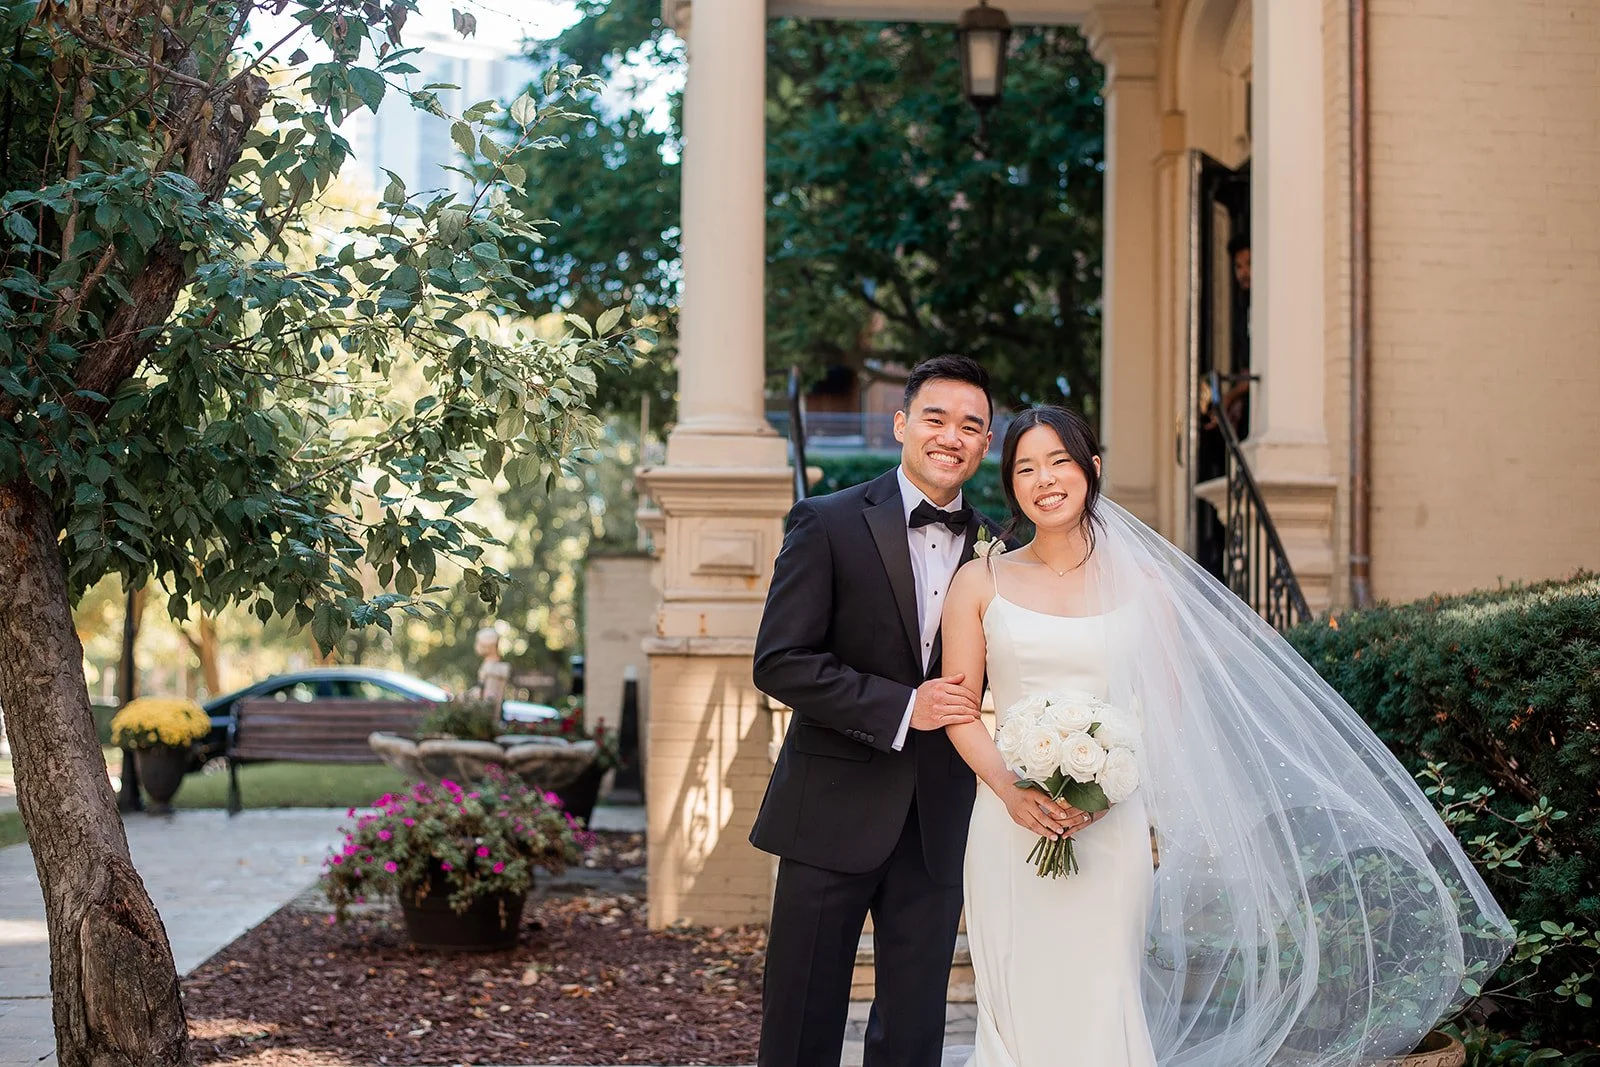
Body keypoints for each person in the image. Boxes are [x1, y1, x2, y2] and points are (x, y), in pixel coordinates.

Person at [938, 406, 1511, 1067]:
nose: (1044, 479)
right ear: (1010, 484)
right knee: (1018, 988)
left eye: (1059, 461)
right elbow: (958, 708)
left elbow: (1166, 715)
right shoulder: (981, 581)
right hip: (1009, 825)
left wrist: (1106, 792)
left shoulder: (1145, 584)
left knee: (1103, 989)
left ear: (1092, 468)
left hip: (1109, 828)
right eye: (1025, 468)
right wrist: (1014, 793)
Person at [749, 356, 1056, 1067]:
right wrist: (900, 706)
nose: (952, 436)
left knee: (915, 1033)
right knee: (800, 1023)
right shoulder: (825, 522)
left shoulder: (1003, 551)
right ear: (901, 424)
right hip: (828, 810)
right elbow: (780, 659)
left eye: (971, 426)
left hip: (940, 820)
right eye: (936, 418)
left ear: (986, 445)